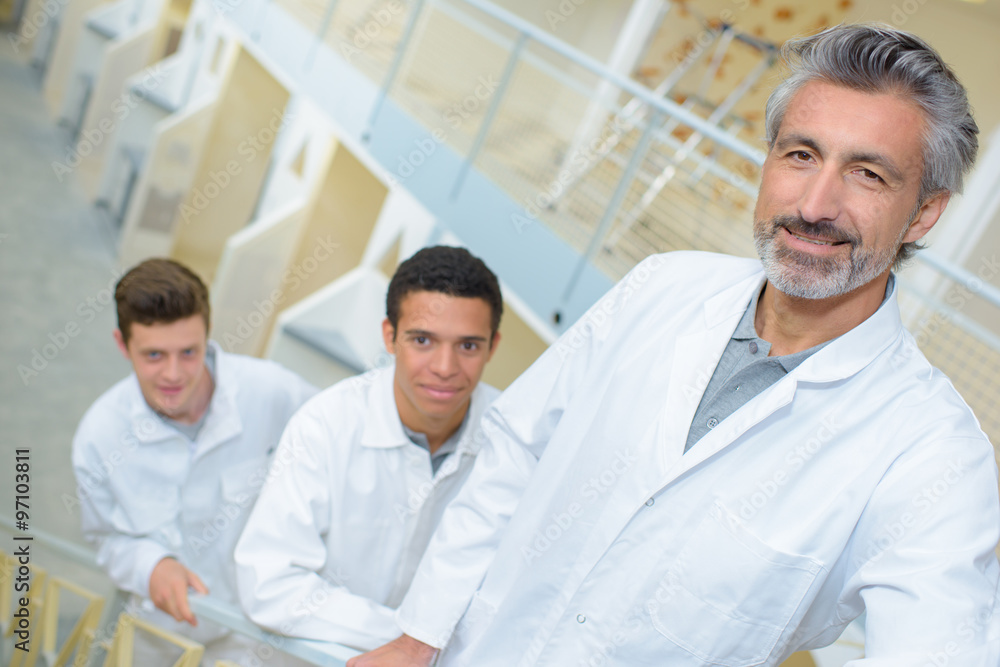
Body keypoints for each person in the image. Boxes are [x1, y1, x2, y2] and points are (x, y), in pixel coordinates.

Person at [349, 24, 1000, 666]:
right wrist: (420, 633)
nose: (814, 202)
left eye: (868, 174)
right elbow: (516, 452)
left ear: (923, 213)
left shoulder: (931, 451)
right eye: (800, 154)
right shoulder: (661, 286)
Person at [234, 245, 503, 650]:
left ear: (492, 346)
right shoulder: (325, 425)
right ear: (390, 337)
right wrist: (413, 639)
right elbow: (271, 585)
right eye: (423, 340)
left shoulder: (512, 439)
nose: (445, 368)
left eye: (468, 346)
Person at [72, 258, 317, 665]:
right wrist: (151, 566)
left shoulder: (274, 393)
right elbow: (106, 537)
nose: (174, 374)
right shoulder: (101, 434)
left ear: (207, 332)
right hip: (158, 634)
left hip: (255, 632)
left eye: (189, 352)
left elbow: (339, 453)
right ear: (122, 344)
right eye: (153, 355)